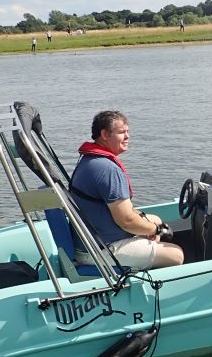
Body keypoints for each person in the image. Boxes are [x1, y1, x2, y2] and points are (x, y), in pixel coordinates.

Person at [71, 111, 184, 270]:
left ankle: (145, 259)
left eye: (128, 132)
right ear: (104, 134)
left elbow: (124, 213)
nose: (127, 136)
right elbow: (126, 221)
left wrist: (151, 225)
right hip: (100, 250)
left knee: (155, 219)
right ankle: (142, 275)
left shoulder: (90, 161)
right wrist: (156, 229)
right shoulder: (107, 170)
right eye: (121, 132)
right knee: (176, 254)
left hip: (91, 240)